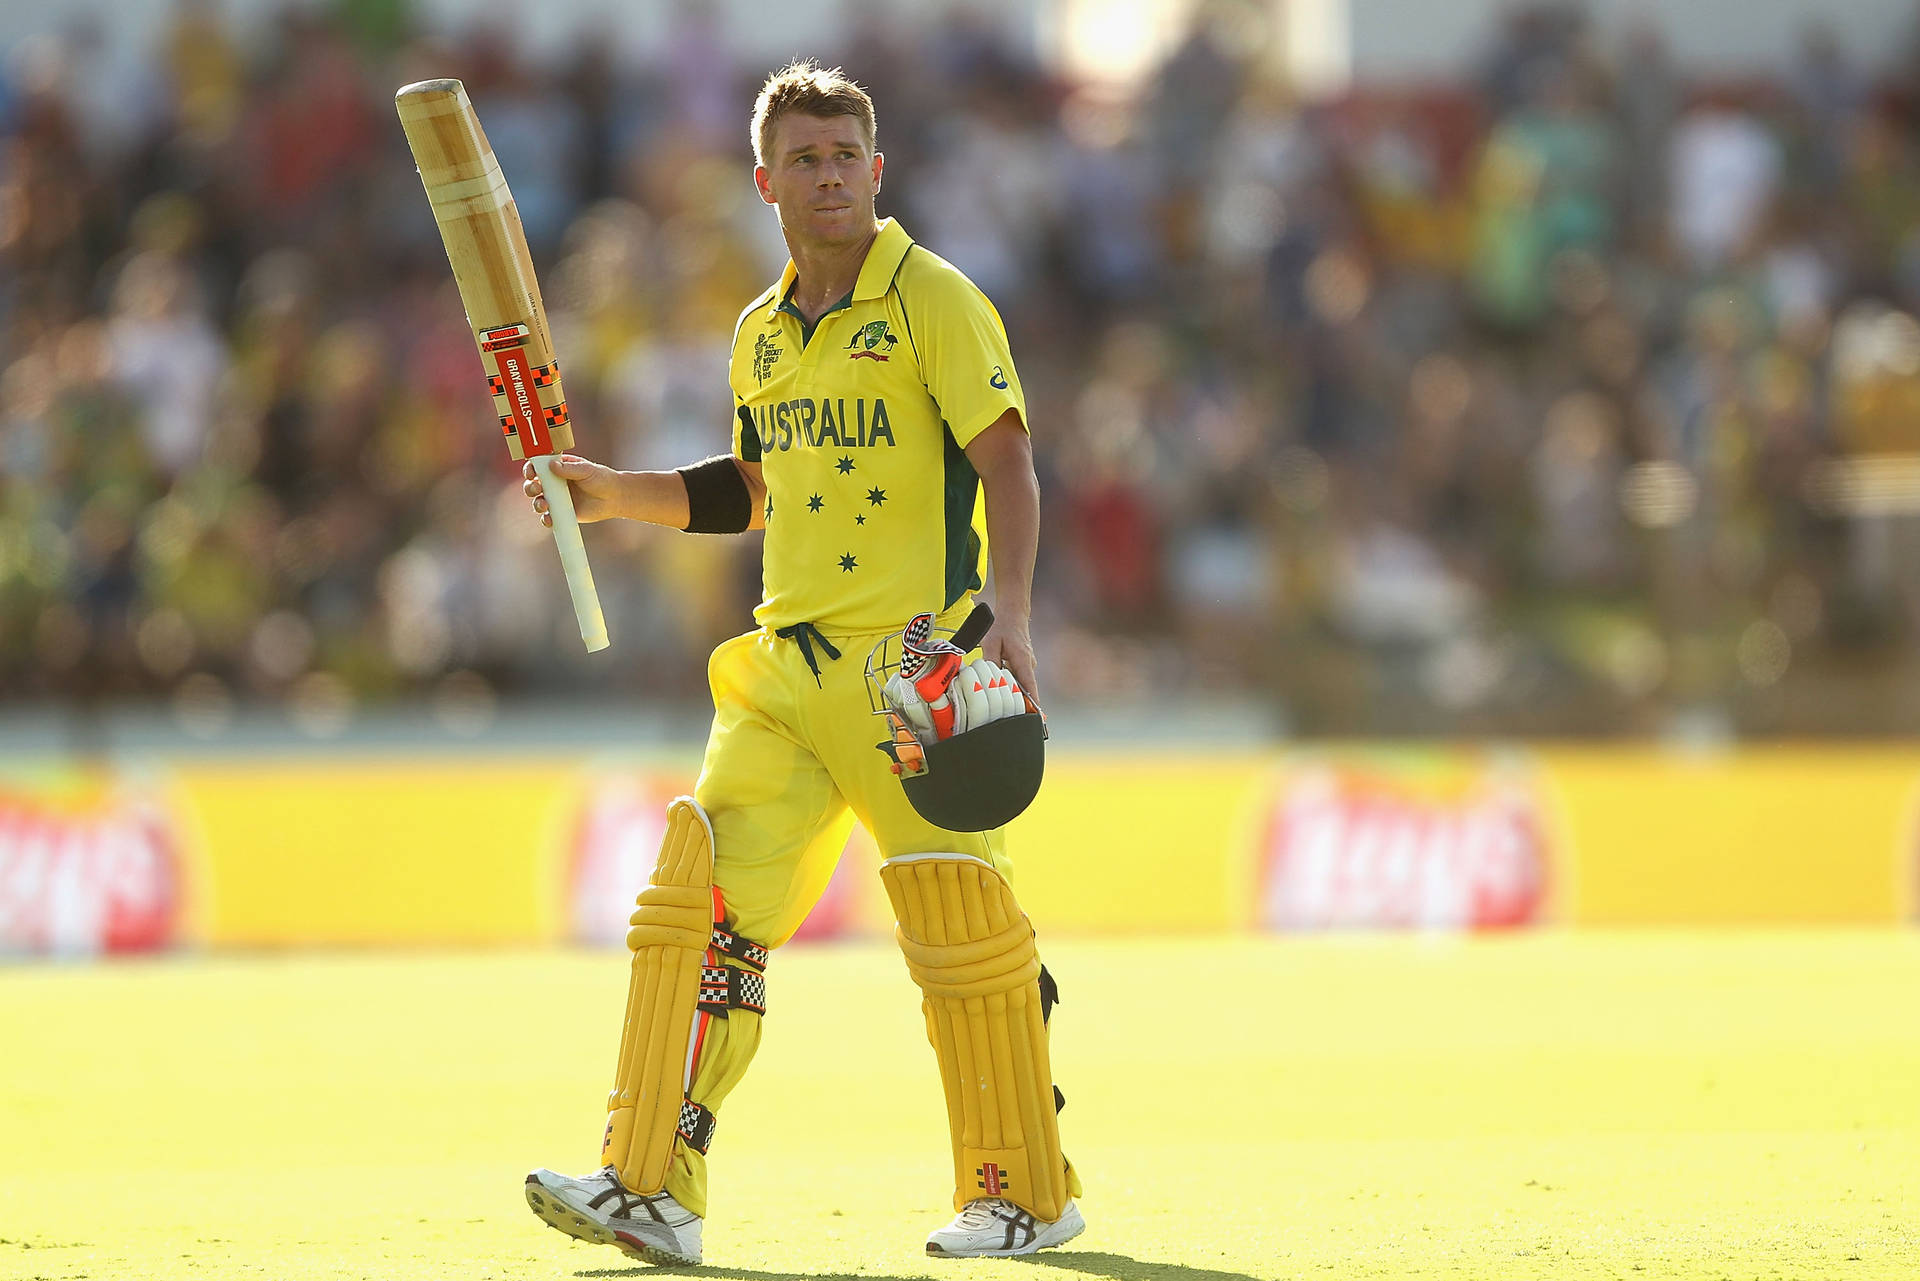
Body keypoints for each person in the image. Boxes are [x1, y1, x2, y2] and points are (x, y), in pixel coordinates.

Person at [518, 60, 1083, 1264]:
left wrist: (1014, 617)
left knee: (959, 930)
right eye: (805, 161)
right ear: (763, 181)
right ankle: (650, 1183)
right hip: (783, 667)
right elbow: (760, 488)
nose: (828, 179)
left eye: (846, 159)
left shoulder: (936, 299)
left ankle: (1024, 1191)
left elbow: (1011, 466)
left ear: (876, 173)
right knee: (699, 902)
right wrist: (619, 495)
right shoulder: (758, 335)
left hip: (914, 668)